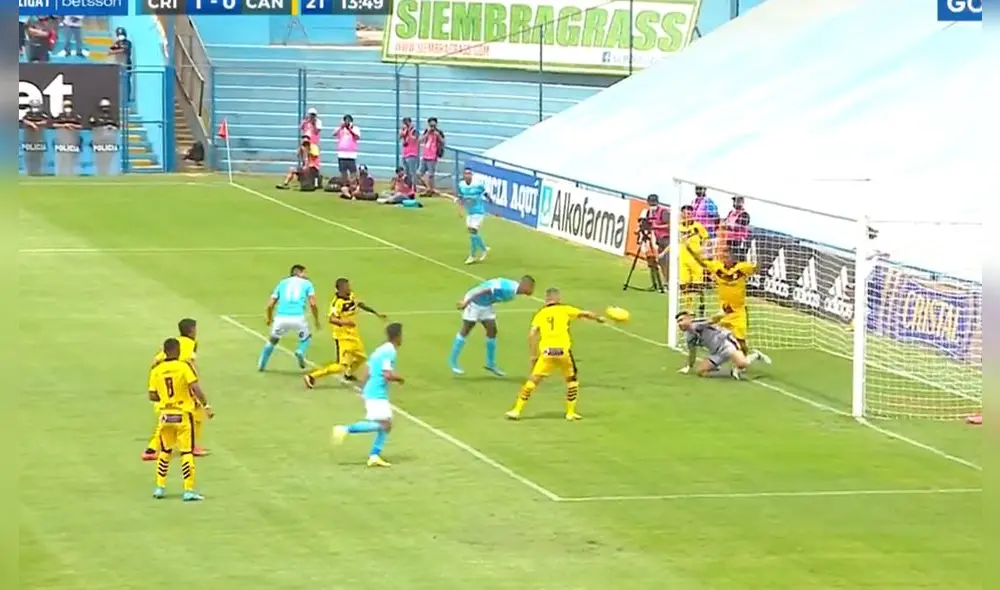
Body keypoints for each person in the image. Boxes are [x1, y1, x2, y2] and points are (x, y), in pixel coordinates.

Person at [505, 288, 604, 421]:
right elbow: (585, 313)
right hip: (563, 351)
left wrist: (533, 355)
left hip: (547, 353)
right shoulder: (565, 309)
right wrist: (599, 318)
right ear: (558, 298)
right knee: (571, 380)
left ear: (546, 299)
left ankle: (516, 410)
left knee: (533, 381)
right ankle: (570, 412)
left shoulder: (540, 314)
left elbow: (532, 334)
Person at [148, 337, 213, 501]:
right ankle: (188, 490)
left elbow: (152, 394)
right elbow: (194, 386)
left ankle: (159, 487)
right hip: (183, 415)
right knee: (186, 452)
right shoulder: (183, 367)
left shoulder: (157, 370)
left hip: (165, 416)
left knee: (165, 451)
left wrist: (165, 399)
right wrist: (205, 405)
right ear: (177, 351)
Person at [331, 323, 405, 468]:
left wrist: (363, 387)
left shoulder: (380, 349)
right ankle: (346, 429)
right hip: (377, 392)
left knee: (386, 425)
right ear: (397, 336)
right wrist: (400, 379)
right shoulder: (389, 351)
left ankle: (374, 456)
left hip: (372, 391)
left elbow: (369, 369)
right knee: (384, 424)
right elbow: (387, 374)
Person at [142, 318, 208, 461]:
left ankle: (151, 449)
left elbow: (156, 360)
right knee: (194, 413)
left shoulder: (175, 342)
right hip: (181, 379)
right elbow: (190, 361)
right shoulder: (191, 344)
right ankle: (190, 446)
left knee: (167, 417)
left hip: (164, 379)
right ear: (191, 331)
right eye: (195, 329)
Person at [304, 277, 386, 389]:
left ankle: (349, 374)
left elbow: (360, 304)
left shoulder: (351, 295)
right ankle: (312, 376)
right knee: (341, 366)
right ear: (340, 289)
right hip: (342, 337)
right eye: (346, 286)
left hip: (353, 335)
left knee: (361, 358)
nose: (349, 288)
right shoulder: (337, 303)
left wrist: (376, 313)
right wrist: (345, 322)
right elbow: (332, 319)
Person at [684, 245, 761, 358]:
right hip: (723, 311)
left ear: (733, 258)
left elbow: (756, 269)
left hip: (738, 311)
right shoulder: (717, 266)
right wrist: (690, 250)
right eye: (723, 257)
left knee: (741, 340)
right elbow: (701, 262)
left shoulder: (742, 268)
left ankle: (743, 361)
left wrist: (760, 259)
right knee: (718, 337)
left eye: (727, 256)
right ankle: (718, 358)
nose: (724, 259)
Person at [449, 275, 536, 376]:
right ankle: (453, 361)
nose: (532, 290)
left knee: (492, 330)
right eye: (531, 287)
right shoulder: (507, 287)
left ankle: (490, 364)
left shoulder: (513, 294)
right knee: (467, 329)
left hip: (486, 305)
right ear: (524, 284)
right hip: (474, 302)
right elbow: (483, 290)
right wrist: (466, 303)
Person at [259, 265, 320, 371]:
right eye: (304, 273)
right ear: (298, 272)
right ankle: (300, 351)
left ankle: (262, 365)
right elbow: (313, 304)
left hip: (280, 318)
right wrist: (316, 320)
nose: (306, 275)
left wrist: (269, 318)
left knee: (273, 340)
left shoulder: (282, 283)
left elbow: (270, 305)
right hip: (298, 318)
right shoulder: (307, 284)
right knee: (306, 338)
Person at [675, 312, 770, 379]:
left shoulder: (697, 324)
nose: (679, 324)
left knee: (742, 364)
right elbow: (692, 353)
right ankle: (730, 372)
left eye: (681, 320)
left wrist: (722, 313)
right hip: (716, 353)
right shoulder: (689, 337)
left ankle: (756, 355)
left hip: (726, 343)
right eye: (678, 322)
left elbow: (712, 320)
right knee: (701, 372)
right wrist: (689, 367)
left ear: (689, 318)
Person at [456, 166, 490, 264]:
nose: (467, 175)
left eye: (469, 174)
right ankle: (483, 249)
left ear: (472, 175)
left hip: (479, 212)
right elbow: (460, 198)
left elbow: (486, 193)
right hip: (469, 212)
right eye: (466, 173)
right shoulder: (461, 185)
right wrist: (460, 210)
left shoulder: (478, 185)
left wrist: (492, 203)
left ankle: (472, 256)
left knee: (473, 230)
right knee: (472, 233)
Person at [418, 117, 445, 195]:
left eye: (434, 124)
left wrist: (438, 136)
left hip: (433, 156)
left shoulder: (439, 132)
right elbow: (420, 140)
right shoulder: (427, 131)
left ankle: (430, 190)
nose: (432, 126)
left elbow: (443, 142)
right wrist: (427, 133)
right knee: (419, 174)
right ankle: (429, 188)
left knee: (431, 175)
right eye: (431, 124)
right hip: (425, 155)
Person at [334, 114, 360, 186]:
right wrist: (341, 127)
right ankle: (344, 185)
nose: (347, 122)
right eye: (346, 120)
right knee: (343, 172)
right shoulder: (340, 129)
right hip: (342, 154)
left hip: (351, 154)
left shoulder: (355, 128)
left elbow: (357, 136)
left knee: (353, 171)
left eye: (348, 121)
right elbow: (334, 133)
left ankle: (353, 185)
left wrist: (350, 129)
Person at [109, 27, 134, 103]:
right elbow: (110, 50)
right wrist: (117, 50)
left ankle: (127, 98)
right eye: (119, 34)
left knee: (127, 82)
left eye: (122, 34)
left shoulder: (128, 43)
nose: (121, 36)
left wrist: (117, 50)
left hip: (127, 65)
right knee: (117, 82)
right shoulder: (116, 43)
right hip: (118, 65)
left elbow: (125, 50)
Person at [399, 117, 419, 185]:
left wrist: (409, 132)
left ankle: (414, 186)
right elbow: (399, 137)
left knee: (412, 172)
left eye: (407, 123)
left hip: (412, 153)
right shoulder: (404, 130)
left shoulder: (414, 130)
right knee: (406, 172)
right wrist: (404, 131)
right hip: (405, 153)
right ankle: (408, 185)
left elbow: (415, 139)